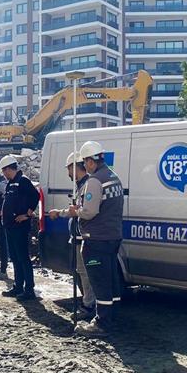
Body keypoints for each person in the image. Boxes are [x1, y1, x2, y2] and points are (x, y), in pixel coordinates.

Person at [69, 141, 124, 337]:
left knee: (100, 282)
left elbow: (90, 212)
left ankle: (102, 322)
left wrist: (76, 212)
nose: (85, 165)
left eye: (85, 161)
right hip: (113, 236)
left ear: (91, 161)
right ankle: (113, 316)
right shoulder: (114, 177)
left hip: (96, 239)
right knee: (111, 280)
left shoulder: (95, 181)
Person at [47, 151, 96, 321]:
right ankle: (87, 302)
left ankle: (89, 305)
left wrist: (63, 213)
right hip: (77, 234)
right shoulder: (80, 185)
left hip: (84, 236)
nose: (68, 174)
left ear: (75, 167)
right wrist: (62, 213)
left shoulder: (88, 185)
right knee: (80, 272)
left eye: (69, 169)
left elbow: (83, 211)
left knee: (85, 272)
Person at [0, 155, 40, 301]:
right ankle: (18, 286)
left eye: (5, 171)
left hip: (20, 227)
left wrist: (27, 215)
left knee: (23, 258)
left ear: (10, 169)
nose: (4, 174)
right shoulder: (11, 183)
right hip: (10, 226)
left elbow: (35, 196)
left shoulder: (23, 181)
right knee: (15, 258)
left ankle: (29, 289)